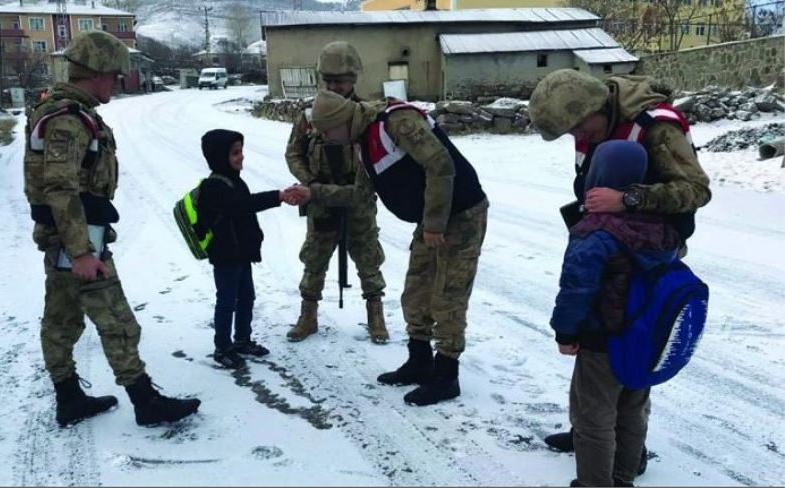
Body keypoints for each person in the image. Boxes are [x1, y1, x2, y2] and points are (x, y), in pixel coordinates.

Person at [528, 68, 712, 462]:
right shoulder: (593, 122)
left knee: (630, 348)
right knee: (597, 354)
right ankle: (595, 437)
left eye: (582, 128)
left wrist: (627, 199)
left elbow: (696, 190)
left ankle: (628, 451)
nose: (581, 138)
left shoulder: (657, 126)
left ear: (598, 106)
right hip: (608, 247)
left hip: (648, 256)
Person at [23, 31, 200, 427]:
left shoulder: (62, 109)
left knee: (62, 319)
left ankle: (69, 399)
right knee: (117, 320)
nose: (117, 83)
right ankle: (145, 403)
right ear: (97, 73)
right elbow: (60, 187)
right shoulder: (68, 119)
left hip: (67, 238)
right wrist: (82, 252)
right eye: (115, 76)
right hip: (78, 239)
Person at [301, 89, 488, 406]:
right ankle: (419, 362)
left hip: (461, 214)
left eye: (328, 132)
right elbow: (359, 195)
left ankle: (445, 376)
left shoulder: (396, 123)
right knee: (415, 291)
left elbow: (441, 166)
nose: (327, 140)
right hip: (432, 219)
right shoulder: (362, 140)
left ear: (341, 121)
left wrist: (433, 224)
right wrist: (313, 193)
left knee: (448, 295)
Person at [550, 140, 680, 487]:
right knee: (632, 410)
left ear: (597, 175)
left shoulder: (594, 233)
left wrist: (566, 332)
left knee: (593, 417)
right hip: (644, 337)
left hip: (602, 340)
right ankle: (622, 478)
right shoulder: (661, 226)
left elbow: (577, 289)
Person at [284, 41, 389, 344]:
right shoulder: (309, 116)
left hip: (358, 200)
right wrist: (309, 183)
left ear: (353, 80)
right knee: (315, 257)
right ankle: (308, 315)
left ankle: (375, 314)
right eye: (328, 81)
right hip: (319, 201)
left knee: (368, 256)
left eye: (340, 81)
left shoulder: (366, 116)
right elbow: (294, 154)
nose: (333, 86)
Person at [197, 129, 305, 369]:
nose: (241, 157)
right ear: (218, 156)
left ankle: (242, 340)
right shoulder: (214, 186)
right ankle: (222, 347)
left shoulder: (234, 180)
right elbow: (243, 205)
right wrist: (278, 196)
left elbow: (244, 209)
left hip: (241, 254)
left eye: (241, 151)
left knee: (246, 297)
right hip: (225, 257)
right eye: (235, 153)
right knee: (226, 301)